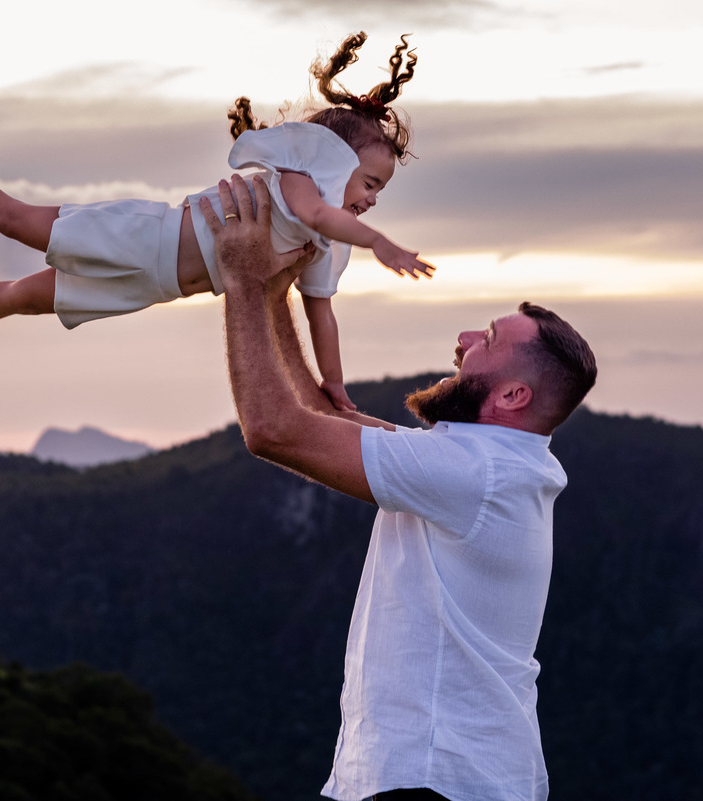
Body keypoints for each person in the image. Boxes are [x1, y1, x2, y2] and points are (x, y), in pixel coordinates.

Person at [198, 174, 597, 801]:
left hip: (435, 779)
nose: (463, 341)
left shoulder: (475, 475)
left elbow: (274, 431)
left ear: (514, 396)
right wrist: (277, 295)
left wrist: (242, 278)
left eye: (487, 341)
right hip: (445, 775)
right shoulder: (487, 464)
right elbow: (322, 423)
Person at [0, 32, 433, 411]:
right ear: (331, 161)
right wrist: (381, 242)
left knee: (21, 297)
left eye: (379, 194)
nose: (372, 202)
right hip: (141, 236)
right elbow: (316, 213)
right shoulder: (299, 185)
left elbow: (321, 311)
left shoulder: (325, 246)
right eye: (370, 184)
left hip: (151, 285)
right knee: (13, 220)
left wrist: (335, 384)